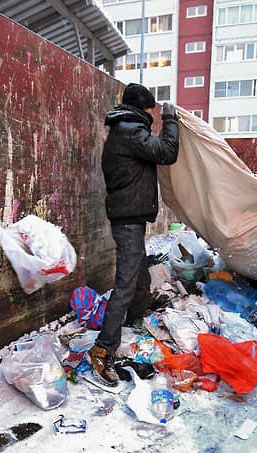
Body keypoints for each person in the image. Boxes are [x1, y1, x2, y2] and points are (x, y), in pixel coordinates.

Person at [86, 83, 179, 386]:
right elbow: (167, 152)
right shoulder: (130, 131)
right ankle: (102, 349)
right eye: (152, 111)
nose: (154, 117)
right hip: (127, 221)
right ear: (144, 109)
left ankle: (134, 322)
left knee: (140, 277)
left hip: (130, 218)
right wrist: (172, 120)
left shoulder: (125, 130)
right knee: (125, 284)